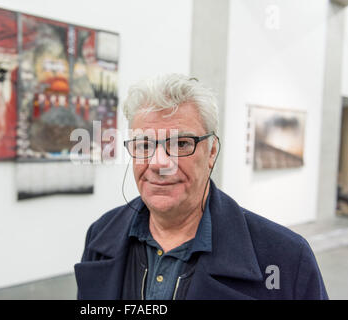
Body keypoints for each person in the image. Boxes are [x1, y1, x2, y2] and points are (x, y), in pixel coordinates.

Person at [74, 73, 328, 300]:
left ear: (212, 152)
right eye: (144, 145)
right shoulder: (100, 235)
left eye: (182, 144)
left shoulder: (287, 260)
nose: (159, 162)